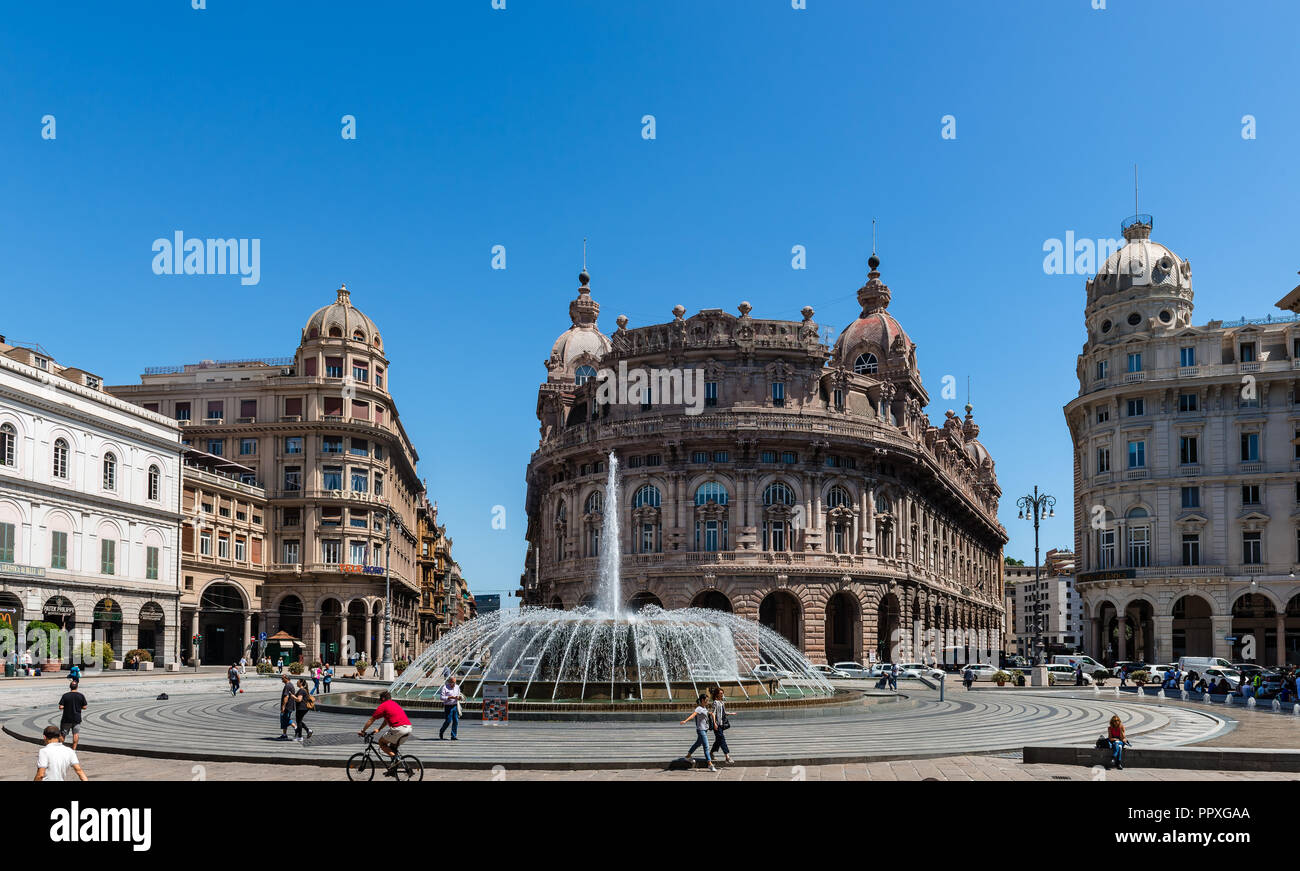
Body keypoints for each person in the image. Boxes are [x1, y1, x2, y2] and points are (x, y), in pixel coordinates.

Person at [358, 690, 413, 769]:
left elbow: (371, 720)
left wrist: (363, 731)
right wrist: (379, 729)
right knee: (392, 747)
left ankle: (396, 759)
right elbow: (386, 720)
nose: (379, 702)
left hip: (399, 729)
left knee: (381, 742)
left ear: (383, 699)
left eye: (380, 700)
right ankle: (394, 769)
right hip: (408, 728)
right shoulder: (394, 704)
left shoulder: (383, 705)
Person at [680, 693, 717, 772]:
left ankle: (687, 756)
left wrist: (711, 714)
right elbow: (693, 715)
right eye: (707, 700)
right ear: (702, 700)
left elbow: (706, 715)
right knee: (706, 747)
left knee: (698, 743)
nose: (708, 702)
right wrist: (685, 721)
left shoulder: (704, 708)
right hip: (701, 730)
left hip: (704, 730)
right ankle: (710, 764)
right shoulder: (699, 708)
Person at [58, 680, 88, 750]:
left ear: (70, 687)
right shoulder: (81, 695)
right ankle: (73, 749)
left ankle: (59, 748)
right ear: (77, 687)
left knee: (63, 734)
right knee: (75, 734)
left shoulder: (65, 695)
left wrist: (67, 706)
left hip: (66, 718)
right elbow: (84, 707)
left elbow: (61, 707)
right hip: (77, 718)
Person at [709, 687, 732, 764]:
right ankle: (727, 757)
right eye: (721, 693)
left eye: (722, 693)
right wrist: (714, 723)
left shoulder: (722, 702)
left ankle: (711, 753)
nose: (722, 695)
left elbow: (723, 713)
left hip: (721, 724)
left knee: (718, 740)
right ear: (717, 694)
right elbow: (712, 713)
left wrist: (730, 713)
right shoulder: (715, 702)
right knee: (722, 739)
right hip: (717, 725)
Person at [438, 675, 464, 740]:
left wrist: (459, 697)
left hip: (455, 706)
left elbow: (459, 695)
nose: (453, 684)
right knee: (448, 721)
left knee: (456, 721)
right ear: (449, 682)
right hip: (448, 706)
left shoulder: (457, 687)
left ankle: (453, 736)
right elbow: (441, 697)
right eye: (452, 682)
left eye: (454, 682)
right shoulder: (445, 687)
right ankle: (441, 731)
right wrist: (449, 697)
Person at [277, 675, 296, 740]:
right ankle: (284, 734)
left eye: (282, 678)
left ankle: (296, 727)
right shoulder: (290, 685)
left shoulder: (287, 686)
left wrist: (283, 706)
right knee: (284, 719)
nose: (281, 679)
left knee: (285, 718)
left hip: (287, 706)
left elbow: (286, 697)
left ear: (286, 678)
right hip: (290, 705)